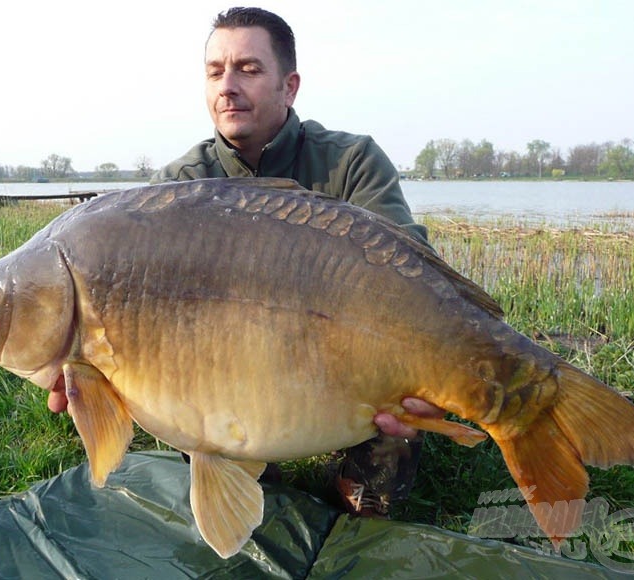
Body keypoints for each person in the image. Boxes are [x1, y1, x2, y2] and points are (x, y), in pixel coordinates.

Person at [149, 6, 443, 517]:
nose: (228, 86)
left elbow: (415, 277)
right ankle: (252, 479)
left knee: (382, 467)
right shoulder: (178, 189)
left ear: (290, 86)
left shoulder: (351, 163)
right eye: (215, 71)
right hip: (224, 371)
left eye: (249, 69)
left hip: (341, 364)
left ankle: (355, 489)